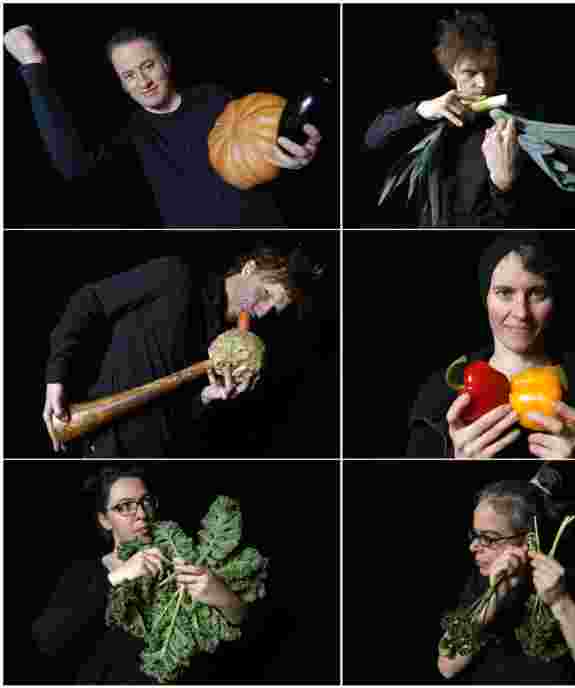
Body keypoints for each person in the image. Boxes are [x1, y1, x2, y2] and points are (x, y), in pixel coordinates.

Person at [4, 25, 322, 227]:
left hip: (266, 231)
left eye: (148, 66)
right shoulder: (131, 132)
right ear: (121, 83)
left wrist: (298, 153)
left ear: (166, 64)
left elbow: (266, 140)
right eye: (129, 75)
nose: (143, 82)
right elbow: (71, 166)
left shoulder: (214, 97)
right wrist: (33, 68)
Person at [42, 245, 324, 457]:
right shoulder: (175, 275)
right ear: (249, 269)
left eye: (272, 311)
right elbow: (90, 301)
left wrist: (206, 397)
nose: (262, 313)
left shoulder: (231, 357)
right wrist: (56, 377)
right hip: (92, 440)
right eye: (264, 295)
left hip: (147, 461)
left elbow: (180, 421)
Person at [406, 234, 575, 458]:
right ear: (486, 299)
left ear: (554, 300)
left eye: (537, 293)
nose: (521, 313)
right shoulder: (440, 392)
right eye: (504, 293)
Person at [31, 465, 256, 683]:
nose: (141, 514)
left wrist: (224, 598)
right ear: (104, 520)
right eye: (125, 506)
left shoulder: (187, 563)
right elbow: (49, 640)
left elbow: (240, 636)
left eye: (145, 502)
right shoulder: (84, 574)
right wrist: (118, 576)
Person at [363, 11, 554, 227]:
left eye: (489, 71)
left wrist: (503, 185)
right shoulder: (431, 116)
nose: (482, 83)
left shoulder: (514, 126)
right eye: (470, 73)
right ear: (451, 71)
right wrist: (420, 111)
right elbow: (371, 140)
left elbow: (525, 218)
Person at [437, 464, 575, 683]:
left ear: (528, 540)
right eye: (475, 535)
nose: (473, 546)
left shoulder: (565, 578)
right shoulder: (482, 578)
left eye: (489, 538)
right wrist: (495, 596)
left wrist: (560, 600)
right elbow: (446, 666)